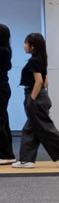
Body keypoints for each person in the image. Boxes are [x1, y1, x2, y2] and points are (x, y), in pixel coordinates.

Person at [12, 33, 59, 169]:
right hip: (42, 97)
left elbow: (39, 81)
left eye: (26, 43)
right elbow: (46, 82)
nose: (24, 46)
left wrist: (31, 99)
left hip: (35, 97)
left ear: (33, 46)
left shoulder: (34, 61)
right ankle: (26, 160)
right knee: (30, 130)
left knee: (46, 129)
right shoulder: (41, 59)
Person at [1, 25, 14, 164]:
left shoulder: (2, 51)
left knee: (1, 122)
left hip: (1, 88)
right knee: (3, 121)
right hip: (3, 87)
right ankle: (7, 153)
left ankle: (5, 155)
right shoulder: (6, 49)